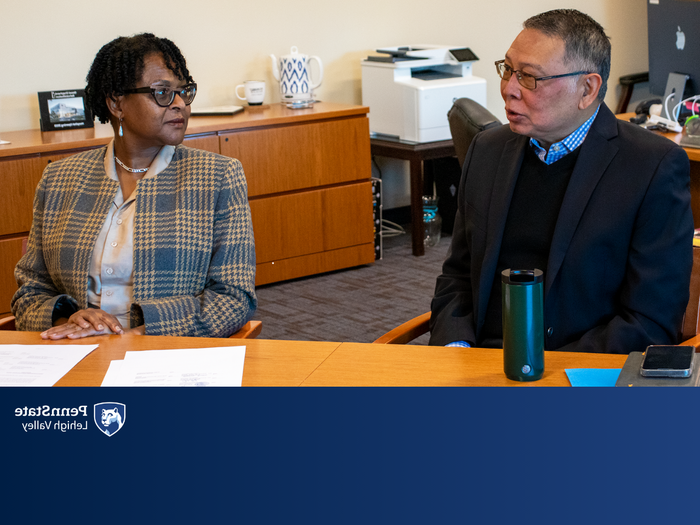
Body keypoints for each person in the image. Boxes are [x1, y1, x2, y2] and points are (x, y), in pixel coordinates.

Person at [429, 9, 694, 353]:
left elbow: (651, 321)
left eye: (529, 77)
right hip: (476, 364)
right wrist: (456, 346)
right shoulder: (488, 149)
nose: (509, 89)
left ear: (587, 88)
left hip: (576, 375)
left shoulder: (652, 167)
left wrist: (549, 377)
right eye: (507, 69)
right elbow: (458, 278)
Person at [12, 33, 257, 339]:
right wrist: (69, 323)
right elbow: (31, 293)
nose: (180, 104)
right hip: (73, 353)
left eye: (184, 92)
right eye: (162, 93)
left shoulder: (218, 177)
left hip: (166, 354)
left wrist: (137, 336)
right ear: (117, 102)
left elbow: (233, 298)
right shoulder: (60, 179)